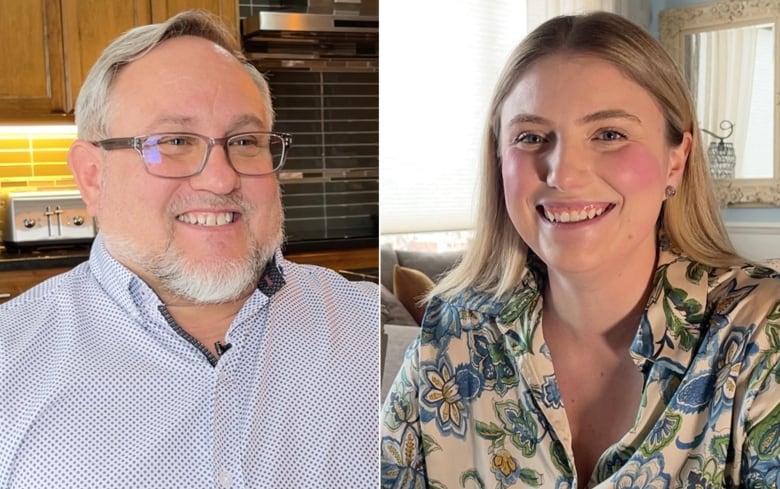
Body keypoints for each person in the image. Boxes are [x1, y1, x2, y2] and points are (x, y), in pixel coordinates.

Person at [381, 11, 780, 489]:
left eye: (609, 134)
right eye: (530, 137)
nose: (564, 175)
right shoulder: (450, 333)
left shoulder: (761, 333)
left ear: (676, 160)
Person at [0, 10, 379, 488]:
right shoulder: (9, 363)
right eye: (174, 141)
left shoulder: (379, 340)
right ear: (93, 176)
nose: (221, 178)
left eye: (244, 141)